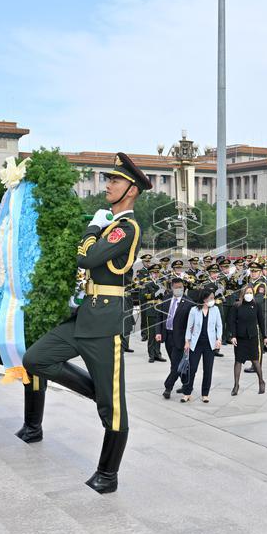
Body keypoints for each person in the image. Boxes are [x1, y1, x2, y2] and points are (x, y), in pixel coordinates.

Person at [22, 152, 149, 494]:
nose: (108, 185)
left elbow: (87, 257)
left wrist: (93, 227)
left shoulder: (126, 228)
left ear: (132, 190)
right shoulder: (112, 226)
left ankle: (108, 475)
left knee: (115, 411)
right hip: (85, 316)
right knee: (35, 359)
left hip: (107, 325)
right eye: (109, 180)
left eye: (115, 181)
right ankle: (97, 392)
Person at [227, 284, 267, 395]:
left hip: (252, 338)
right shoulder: (236, 306)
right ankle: (236, 385)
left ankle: (261, 381)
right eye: (247, 293)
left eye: (251, 293)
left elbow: (261, 322)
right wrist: (233, 336)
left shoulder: (256, 305)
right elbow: (231, 322)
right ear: (242, 294)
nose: (249, 295)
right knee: (238, 361)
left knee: (255, 361)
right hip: (240, 338)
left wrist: (265, 337)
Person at [183, 289, 223, 403]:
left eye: (213, 298)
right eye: (211, 298)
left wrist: (218, 339)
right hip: (196, 344)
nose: (213, 300)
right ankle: (187, 392)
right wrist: (187, 341)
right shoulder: (194, 310)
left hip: (210, 345)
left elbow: (219, 326)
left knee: (208, 369)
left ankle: (205, 394)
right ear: (204, 299)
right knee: (192, 369)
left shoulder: (215, 310)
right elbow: (189, 327)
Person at [157, 276, 194, 399]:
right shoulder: (166, 299)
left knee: (176, 364)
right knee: (175, 363)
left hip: (181, 337)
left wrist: (188, 339)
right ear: (172, 288)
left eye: (181, 287)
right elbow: (160, 317)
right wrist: (158, 332)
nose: (179, 290)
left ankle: (168, 387)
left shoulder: (188, 302)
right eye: (176, 288)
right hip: (168, 336)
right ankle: (186, 384)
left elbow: (191, 322)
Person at [139, 263, 166, 363]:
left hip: (159, 309)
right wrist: (155, 294)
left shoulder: (161, 283)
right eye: (154, 272)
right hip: (151, 309)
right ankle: (151, 355)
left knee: (158, 333)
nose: (156, 274)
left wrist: (163, 293)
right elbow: (142, 296)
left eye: (157, 272)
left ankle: (158, 353)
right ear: (150, 273)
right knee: (151, 334)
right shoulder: (146, 283)